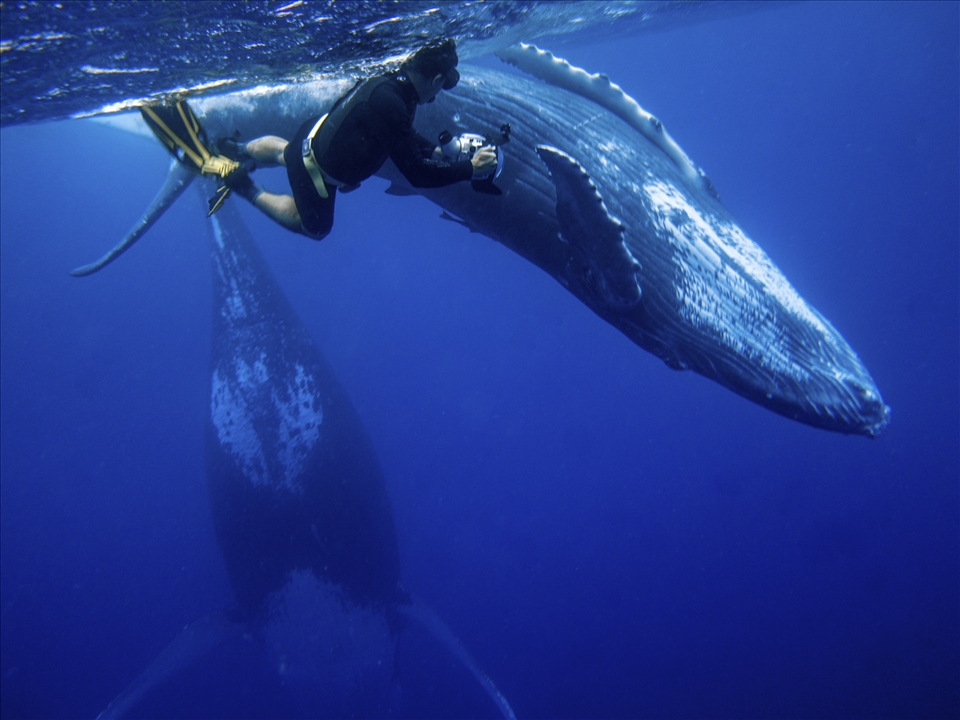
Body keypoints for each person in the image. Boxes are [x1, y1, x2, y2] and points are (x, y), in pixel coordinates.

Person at [219, 39, 497, 240]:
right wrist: (470, 168)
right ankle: (246, 188)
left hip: (315, 134)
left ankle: (239, 149)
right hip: (315, 169)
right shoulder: (393, 103)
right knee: (315, 228)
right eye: (442, 86)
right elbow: (417, 173)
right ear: (436, 80)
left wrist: (434, 151)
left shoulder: (394, 82)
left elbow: (400, 131)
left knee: (288, 152)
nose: (437, 94)